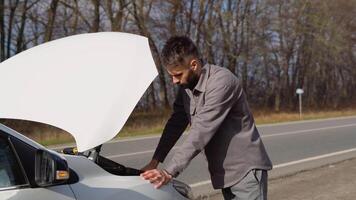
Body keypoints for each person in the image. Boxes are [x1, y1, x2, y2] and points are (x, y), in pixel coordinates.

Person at [140, 36, 272, 200]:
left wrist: (168, 172)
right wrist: (155, 161)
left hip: (246, 172)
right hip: (225, 176)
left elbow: (201, 130)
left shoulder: (221, 82)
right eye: (171, 76)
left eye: (178, 74)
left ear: (193, 65)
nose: (174, 81)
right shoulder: (186, 88)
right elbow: (175, 124)